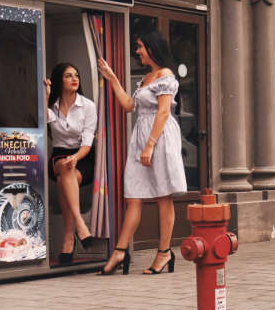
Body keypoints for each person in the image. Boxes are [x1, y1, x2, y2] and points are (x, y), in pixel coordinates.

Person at [96, 30, 187, 275]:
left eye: (139, 47)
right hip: (141, 136)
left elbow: (164, 112)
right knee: (133, 195)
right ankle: (120, 251)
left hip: (159, 137)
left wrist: (150, 144)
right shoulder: (146, 79)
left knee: (162, 196)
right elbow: (128, 106)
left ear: (151, 47)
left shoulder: (166, 75)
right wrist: (113, 78)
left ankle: (164, 252)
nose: (137, 52)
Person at [44, 62, 99, 264]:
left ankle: (69, 237)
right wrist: (46, 94)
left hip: (83, 156)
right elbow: (39, 119)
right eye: (68, 76)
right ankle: (81, 225)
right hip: (59, 156)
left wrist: (75, 158)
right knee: (64, 169)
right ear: (60, 80)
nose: (75, 79)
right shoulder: (52, 106)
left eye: (76, 75)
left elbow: (87, 143)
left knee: (64, 179)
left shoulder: (88, 106)